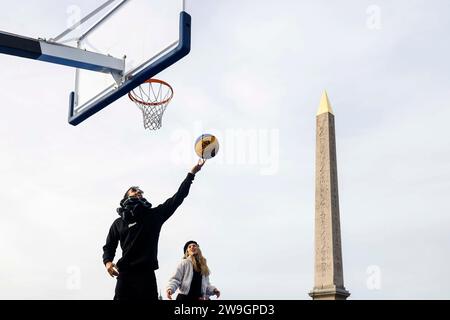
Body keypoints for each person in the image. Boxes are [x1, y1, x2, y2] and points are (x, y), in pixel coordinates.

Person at [102, 160, 206, 301]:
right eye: (134, 190)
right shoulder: (118, 223)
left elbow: (178, 197)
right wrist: (108, 262)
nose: (138, 192)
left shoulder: (154, 216)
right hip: (125, 275)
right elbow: (109, 246)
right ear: (126, 197)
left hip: (147, 275)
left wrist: (191, 174)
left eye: (140, 192)